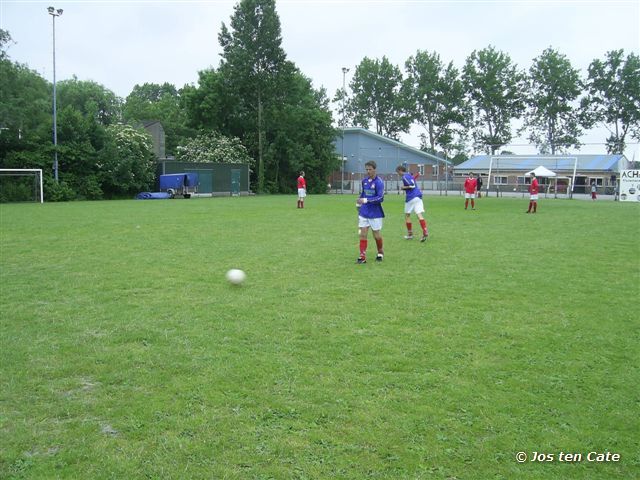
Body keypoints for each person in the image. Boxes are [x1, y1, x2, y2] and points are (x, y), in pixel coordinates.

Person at [356, 161, 385, 264]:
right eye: (366, 169)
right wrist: (359, 202)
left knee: (376, 235)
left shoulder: (379, 182)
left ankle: (380, 251)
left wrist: (366, 200)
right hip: (364, 212)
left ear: (374, 169)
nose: (368, 171)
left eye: (370, 169)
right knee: (363, 233)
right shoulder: (364, 181)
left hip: (375, 213)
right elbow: (363, 194)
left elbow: (381, 198)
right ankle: (362, 256)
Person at [396, 165, 428, 242]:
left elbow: (412, 185)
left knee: (407, 215)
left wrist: (403, 187)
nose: (398, 174)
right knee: (419, 214)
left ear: (400, 170)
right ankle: (425, 230)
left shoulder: (404, 177)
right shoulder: (409, 175)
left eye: (397, 172)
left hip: (411, 197)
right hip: (418, 196)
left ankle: (410, 235)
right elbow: (413, 180)